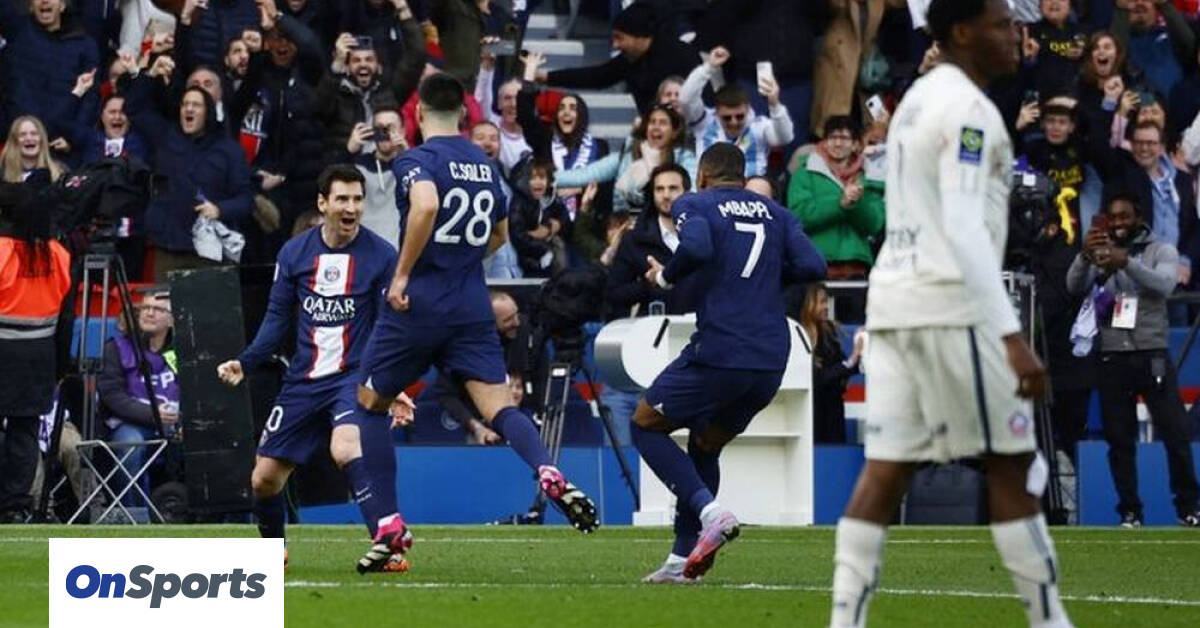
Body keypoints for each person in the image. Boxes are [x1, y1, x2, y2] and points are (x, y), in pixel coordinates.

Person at [828, 2, 1075, 628]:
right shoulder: (969, 111)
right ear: (962, 32)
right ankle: (1050, 621)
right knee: (1011, 463)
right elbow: (964, 226)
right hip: (949, 308)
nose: (1016, 35)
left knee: (886, 471)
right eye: (1001, 24)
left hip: (893, 304)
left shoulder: (915, 100)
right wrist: (1011, 336)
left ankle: (844, 621)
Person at [353, 74, 599, 570]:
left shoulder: (417, 159)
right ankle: (546, 469)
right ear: (464, 116)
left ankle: (388, 524)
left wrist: (403, 274)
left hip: (418, 303)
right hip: (470, 303)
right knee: (499, 405)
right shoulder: (485, 166)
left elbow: (425, 204)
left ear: (418, 114)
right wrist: (461, 260)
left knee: (369, 404)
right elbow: (500, 235)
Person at [636, 143, 826, 583]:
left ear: (702, 176)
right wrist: (763, 275)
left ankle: (711, 513)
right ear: (742, 177)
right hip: (771, 359)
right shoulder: (776, 214)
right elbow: (813, 264)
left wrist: (664, 276)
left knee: (645, 424)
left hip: (722, 348)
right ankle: (682, 561)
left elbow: (698, 247)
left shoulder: (696, 203)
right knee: (705, 443)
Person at [216, 165, 416, 571]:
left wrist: (390, 384)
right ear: (323, 203)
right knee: (263, 479)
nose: (351, 207)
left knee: (346, 447)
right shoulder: (294, 253)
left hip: (353, 377)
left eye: (357, 199)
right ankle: (275, 553)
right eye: (342, 199)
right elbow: (276, 320)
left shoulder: (382, 256)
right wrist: (246, 361)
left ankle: (388, 545)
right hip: (303, 382)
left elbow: (388, 328)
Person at [1065, 193, 1200, 528]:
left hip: (1152, 354)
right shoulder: (1100, 251)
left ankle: (1188, 508)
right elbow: (1073, 286)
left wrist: (1125, 262)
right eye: (1113, 217)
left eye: (1124, 216)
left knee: (1175, 434)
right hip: (1112, 355)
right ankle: (1130, 511)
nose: (1118, 223)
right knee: (1119, 439)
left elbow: (1165, 285)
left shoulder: (1161, 250)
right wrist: (1084, 256)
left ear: (1138, 217)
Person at [0, 172, 72, 523]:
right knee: (24, 430)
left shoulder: (1, 251)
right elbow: (67, 317)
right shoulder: (58, 253)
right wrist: (61, 366)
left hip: (4, 350)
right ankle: (14, 504)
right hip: (40, 354)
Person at [533, 2, 697, 115]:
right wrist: (547, 77)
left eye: (620, 38)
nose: (616, 45)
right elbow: (596, 76)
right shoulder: (629, 59)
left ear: (640, 37)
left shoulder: (680, 56)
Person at [97, 290, 179, 505]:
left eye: (158, 309)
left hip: (176, 427)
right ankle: (133, 515)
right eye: (145, 308)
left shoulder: (185, 350)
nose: (149, 313)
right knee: (131, 444)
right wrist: (152, 414)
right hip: (130, 424)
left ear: (172, 320)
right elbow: (112, 395)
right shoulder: (116, 347)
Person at [678, 46, 794, 178]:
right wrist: (708, 67)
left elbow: (785, 137)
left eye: (739, 116)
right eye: (727, 118)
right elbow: (685, 100)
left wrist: (775, 104)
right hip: (711, 187)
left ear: (748, 109)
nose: (734, 122)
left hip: (750, 187)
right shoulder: (704, 122)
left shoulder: (759, 126)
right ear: (717, 112)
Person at [801, 283, 864, 445]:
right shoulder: (802, 337)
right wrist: (851, 361)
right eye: (821, 302)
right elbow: (818, 379)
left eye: (826, 302)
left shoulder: (829, 332)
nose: (826, 307)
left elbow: (846, 366)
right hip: (814, 415)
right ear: (809, 304)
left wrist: (860, 350)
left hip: (834, 412)